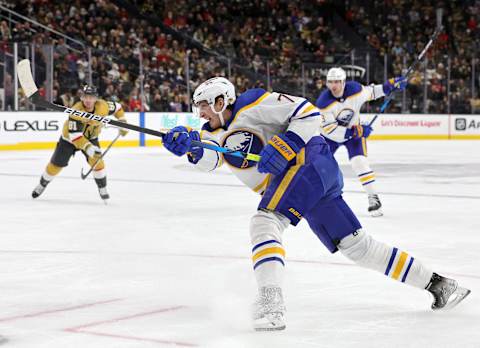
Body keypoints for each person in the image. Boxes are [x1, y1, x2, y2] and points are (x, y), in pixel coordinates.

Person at [161, 77, 470, 331]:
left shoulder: (253, 102)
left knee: (265, 222)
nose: (200, 112)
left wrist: (289, 142)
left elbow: (309, 112)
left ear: (221, 100)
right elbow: (211, 159)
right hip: (306, 182)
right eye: (197, 107)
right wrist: (188, 146)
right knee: (358, 247)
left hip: (308, 163)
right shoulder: (211, 132)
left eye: (203, 105)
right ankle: (440, 285)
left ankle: (271, 304)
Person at [315, 67, 407, 217]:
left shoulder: (355, 90)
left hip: (353, 132)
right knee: (320, 166)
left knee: (360, 162)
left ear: (344, 82)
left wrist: (390, 85)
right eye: (331, 82)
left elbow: (373, 92)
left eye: (337, 82)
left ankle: (373, 198)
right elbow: (330, 130)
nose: (334, 86)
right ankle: (315, 196)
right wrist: (357, 131)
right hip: (330, 137)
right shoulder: (324, 103)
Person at [31, 84, 128, 202]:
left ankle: (103, 188)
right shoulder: (76, 111)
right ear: (81, 97)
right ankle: (42, 184)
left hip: (91, 137)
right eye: (85, 97)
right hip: (69, 140)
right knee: (56, 165)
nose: (88, 100)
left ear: (96, 98)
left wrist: (122, 121)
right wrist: (88, 148)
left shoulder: (103, 106)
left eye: (91, 97)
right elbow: (75, 136)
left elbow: (118, 108)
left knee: (98, 162)